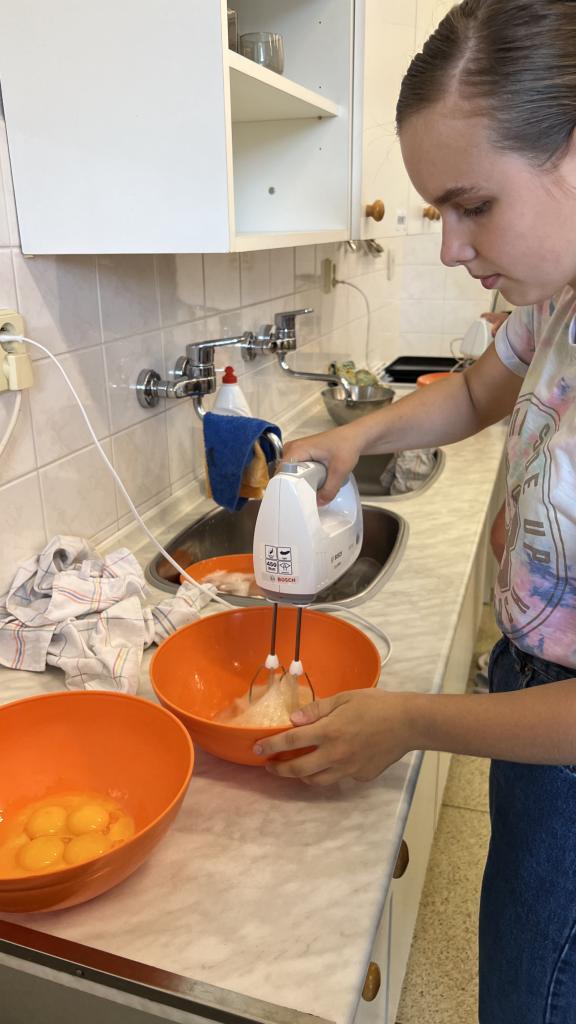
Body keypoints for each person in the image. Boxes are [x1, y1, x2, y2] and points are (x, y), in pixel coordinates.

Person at [253, 2, 576, 1020]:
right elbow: (478, 390)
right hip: (531, 699)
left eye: (471, 206)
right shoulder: (558, 294)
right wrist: (360, 437)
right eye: (439, 211)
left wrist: (413, 720)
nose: (448, 248)